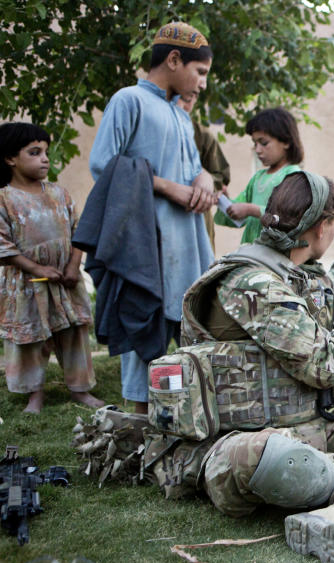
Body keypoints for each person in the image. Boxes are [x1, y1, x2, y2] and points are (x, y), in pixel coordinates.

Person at [178, 170, 334, 563]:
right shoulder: (252, 283)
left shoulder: (283, 269)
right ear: (320, 228)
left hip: (310, 427)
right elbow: (323, 364)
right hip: (242, 443)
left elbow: (320, 288)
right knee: (279, 458)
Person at [88, 21, 217, 414]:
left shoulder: (180, 115)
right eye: (201, 72)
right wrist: (167, 187)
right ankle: (137, 426)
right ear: (174, 59)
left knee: (191, 329)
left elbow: (194, 167)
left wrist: (204, 180)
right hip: (147, 244)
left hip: (188, 243)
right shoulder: (129, 100)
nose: (203, 84)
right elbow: (104, 164)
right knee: (145, 329)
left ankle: (181, 417)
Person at [0, 123, 103, 413]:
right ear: (10, 159)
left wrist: (74, 265)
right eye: (35, 152)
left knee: (73, 333)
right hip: (27, 284)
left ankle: (80, 389)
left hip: (65, 279)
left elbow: (79, 231)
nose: (45, 158)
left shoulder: (60, 194)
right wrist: (34, 267)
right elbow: (3, 246)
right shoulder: (4, 199)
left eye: (46, 152)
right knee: (31, 339)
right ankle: (35, 394)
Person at [214, 107, 302, 244]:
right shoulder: (258, 178)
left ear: (286, 141)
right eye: (255, 144)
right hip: (250, 253)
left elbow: (289, 217)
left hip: (273, 256)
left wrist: (251, 210)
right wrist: (226, 203)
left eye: (264, 143)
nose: (258, 150)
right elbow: (239, 215)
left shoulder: (293, 176)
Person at [178, 91, 231, 253]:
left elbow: (221, 177)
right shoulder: (154, 130)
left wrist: (204, 180)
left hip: (197, 215)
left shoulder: (202, 135)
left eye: (188, 99)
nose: (183, 106)